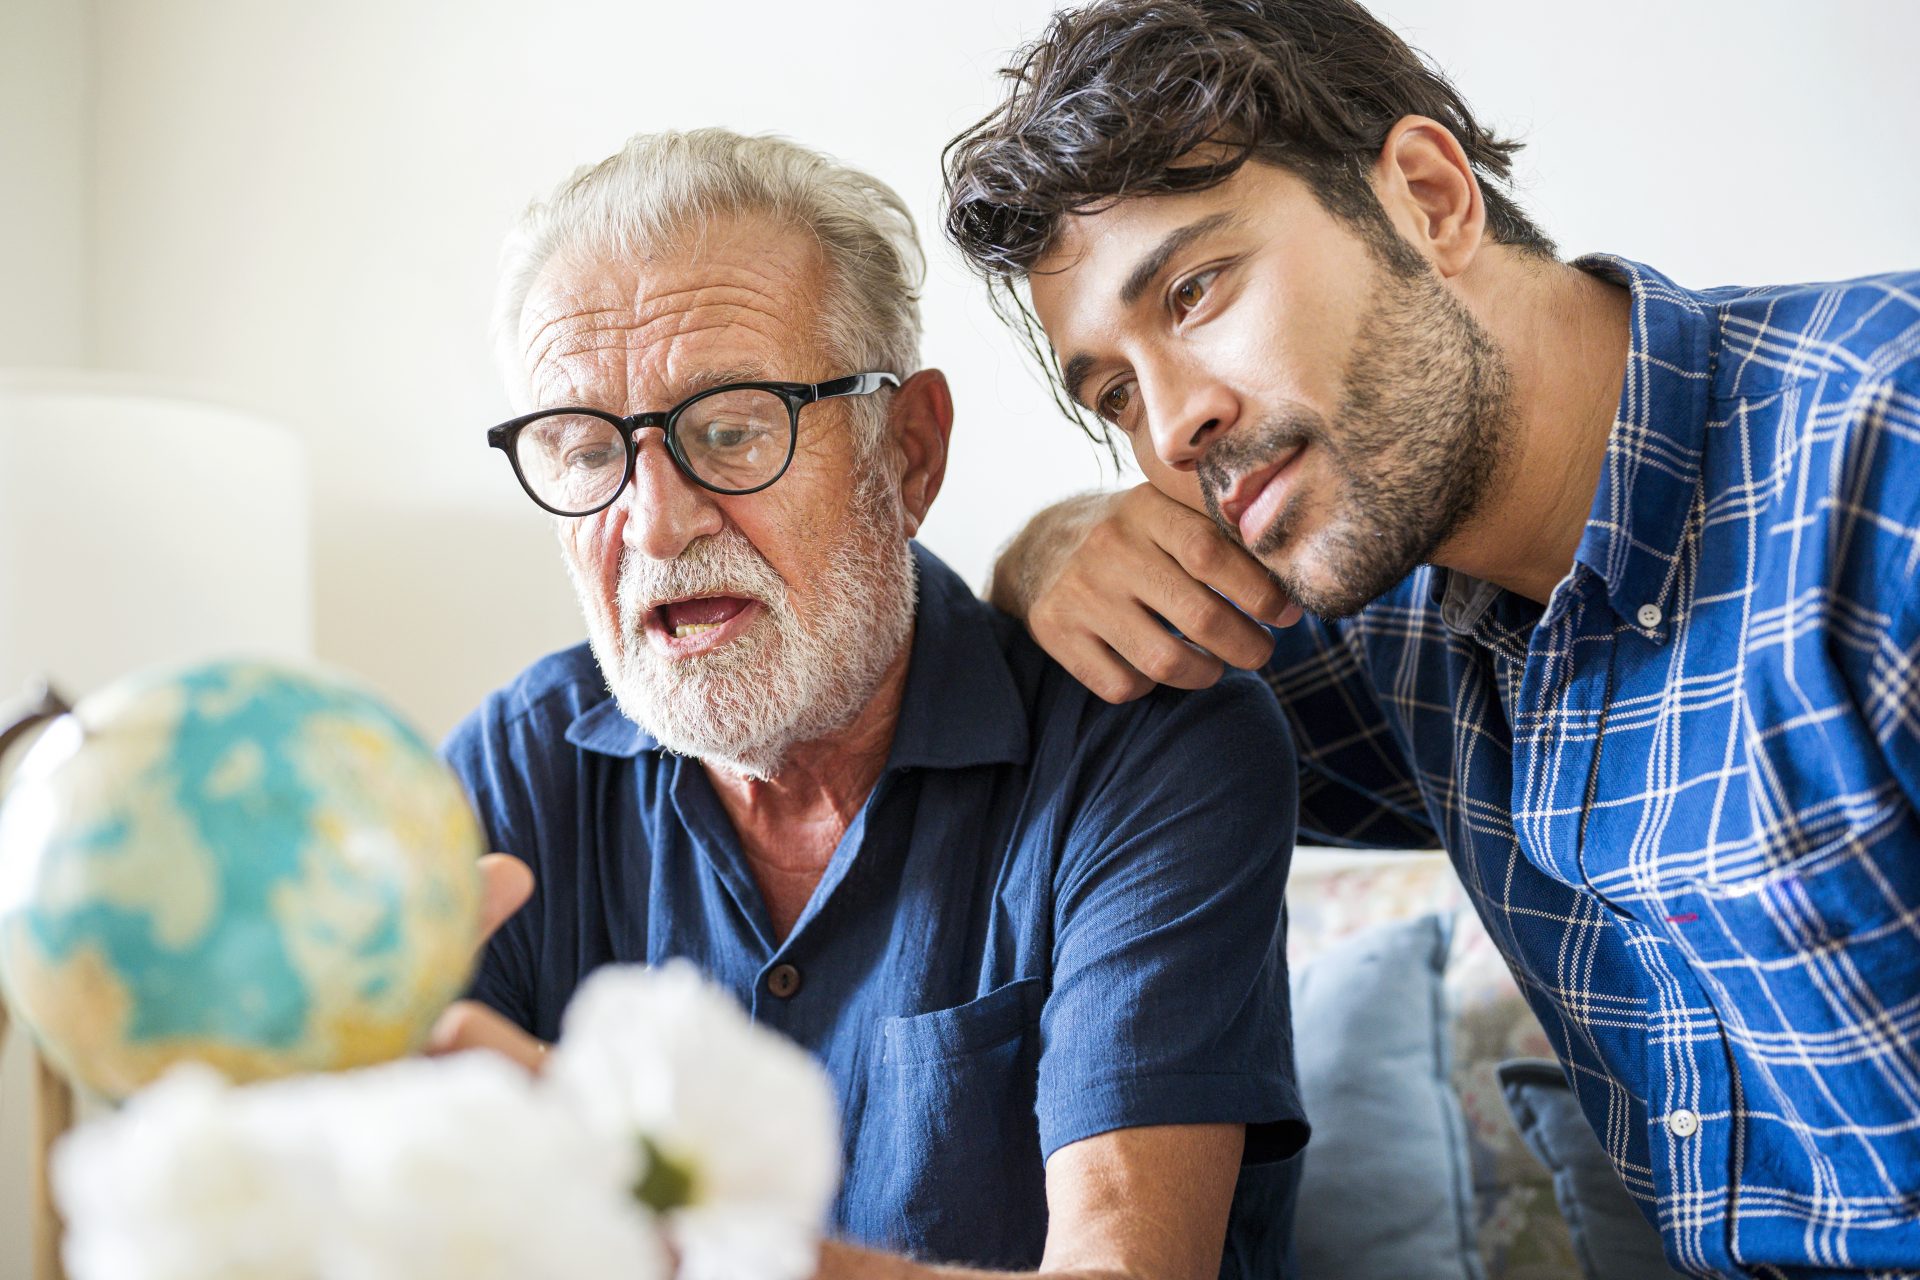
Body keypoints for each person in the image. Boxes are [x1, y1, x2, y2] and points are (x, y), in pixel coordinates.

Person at [941, 1, 1920, 1276]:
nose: (1172, 427)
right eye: (1117, 391)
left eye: (1195, 291)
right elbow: (1095, 706)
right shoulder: (1389, 619)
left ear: (1427, 195)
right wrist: (1050, 550)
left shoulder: (1883, 456)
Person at [429, 128, 1308, 1279]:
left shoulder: (1148, 744)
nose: (653, 522)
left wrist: (656, 1227)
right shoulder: (513, 767)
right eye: (586, 450)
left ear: (909, 453)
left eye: (733, 428)